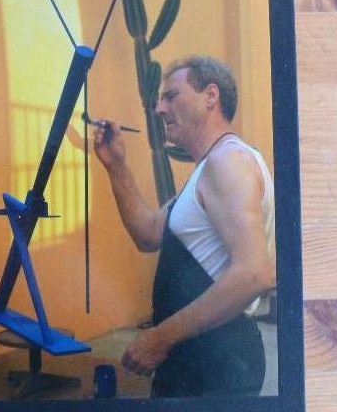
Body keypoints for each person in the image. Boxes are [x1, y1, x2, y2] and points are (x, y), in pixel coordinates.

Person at [93, 56, 276, 397]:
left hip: (216, 363)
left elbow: (254, 275)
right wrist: (117, 165)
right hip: (196, 360)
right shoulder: (210, 166)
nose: (159, 108)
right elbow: (149, 233)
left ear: (211, 96)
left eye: (171, 96)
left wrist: (158, 338)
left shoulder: (228, 162)